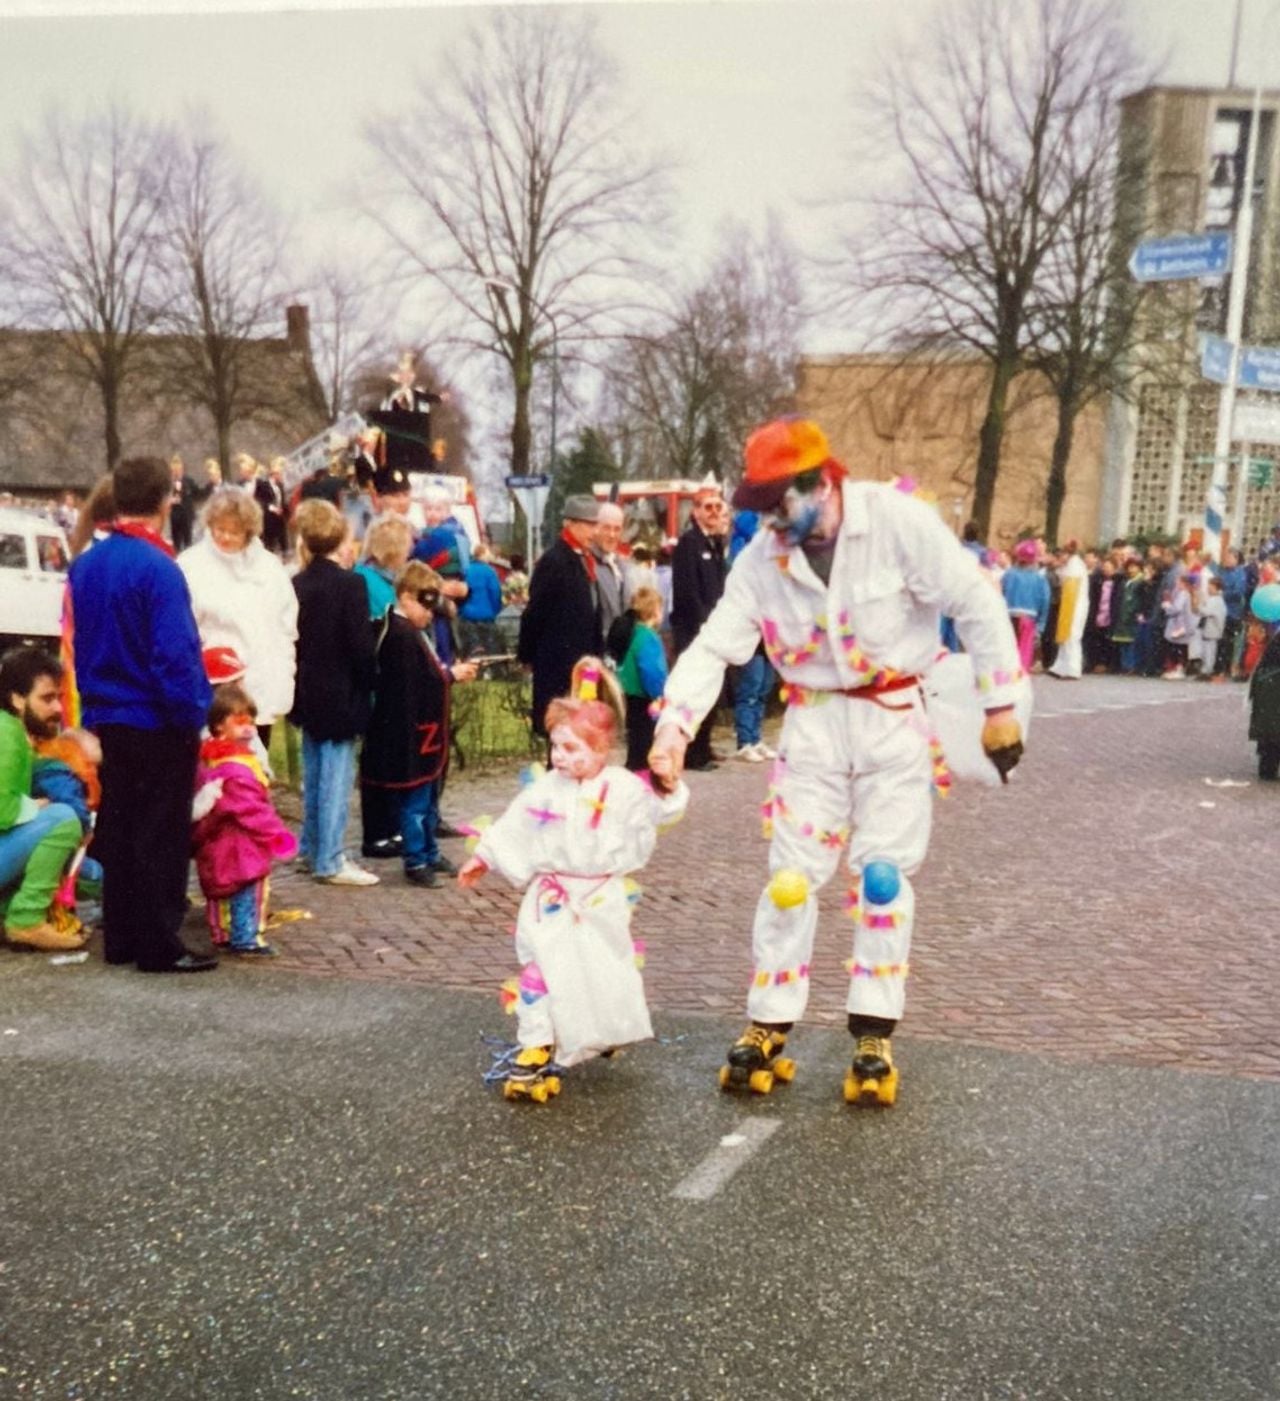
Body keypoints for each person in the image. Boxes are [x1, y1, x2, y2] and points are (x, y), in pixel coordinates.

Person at [646, 418, 1025, 1105]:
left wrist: (1000, 704)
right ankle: (768, 1019)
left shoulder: (896, 521)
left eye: (780, 505)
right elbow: (717, 641)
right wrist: (675, 724)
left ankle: (874, 1028)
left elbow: (972, 599)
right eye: (759, 510)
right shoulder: (763, 556)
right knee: (790, 878)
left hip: (894, 720)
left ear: (822, 482)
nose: (770, 523)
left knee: (883, 877)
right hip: (814, 724)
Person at [457, 657, 689, 1102]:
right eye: (556, 747)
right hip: (551, 898)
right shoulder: (545, 789)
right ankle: (534, 1045)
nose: (560, 758)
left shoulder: (623, 789)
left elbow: (660, 811)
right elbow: (515, 824)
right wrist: (485, 855)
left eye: (572, 749)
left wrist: (668, 785)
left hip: (600, 898)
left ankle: (598, 1028)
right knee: (540, 970)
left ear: (602, 749)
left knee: (599, 970)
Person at [68, 455, 216, 973]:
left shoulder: (86, 563)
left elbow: (80, 642)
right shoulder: (159, 568)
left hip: (108, 712)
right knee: (160, 833)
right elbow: (173, 654)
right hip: (155, 716)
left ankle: (123, 935)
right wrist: (192, 710)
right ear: (164, 499)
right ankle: (159, 942)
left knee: (123, 826)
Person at [362, 562, 478, 888]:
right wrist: (449, 675)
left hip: (421, 732)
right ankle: (417, 857)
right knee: (415, 802)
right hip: (410, 733)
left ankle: (429, 850)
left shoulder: (410, 632)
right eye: (425, 605)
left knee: (426, 799)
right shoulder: (400, 635)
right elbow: (413, 682)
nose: (430, 613)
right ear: (406, 597)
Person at [290, 500, 379, 887]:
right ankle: (329, 857)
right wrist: (371, 679)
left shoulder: (297, 583)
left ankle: (310, 849)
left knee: (314, 774)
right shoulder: (350, 583)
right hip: (342, 691)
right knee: (336, 778)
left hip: (308, 690)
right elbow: (360, 645)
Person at [179, 488, 298, 749]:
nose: (225, 537)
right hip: (215, 684)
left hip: (260, 681)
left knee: (255, 765)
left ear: (248, 531)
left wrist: (283, 673)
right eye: (219, 529)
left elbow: (286, 624)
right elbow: (184, 626)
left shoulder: (269, 568)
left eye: (234, 531)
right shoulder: (191, 565)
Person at [191, 682, 298, 957]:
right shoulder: (234, 771)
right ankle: (245, 937)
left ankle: (221, 932)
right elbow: (252, 811)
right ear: (218, 727)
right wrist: (276, 835)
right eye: (239, 722)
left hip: (220, 842)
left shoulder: (214, 761)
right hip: (240, 845)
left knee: (220, 888)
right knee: (246, 890)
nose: (248, 728)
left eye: (250, 721)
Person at [0, 649, 83, 951]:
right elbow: (2, 812)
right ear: (17, 699)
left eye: (58, 697)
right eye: (47, 699)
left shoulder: (12, 732)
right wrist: (35, 807)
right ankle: (25, 919)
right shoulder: (7, 736)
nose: (59, 708)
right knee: (63, 820)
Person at [518, 496, 604, 742]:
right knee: (560, 729)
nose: (594, 532)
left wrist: (597, 654)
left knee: (582, 727)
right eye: (588, 525)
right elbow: (535, 613)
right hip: (559, 663)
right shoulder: (554, 561)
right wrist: (527, 654)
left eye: (595, 524)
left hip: (584, 663)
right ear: (570, 524)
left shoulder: (585, 559)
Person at [670, 484, 729, 769]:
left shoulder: (715, 543)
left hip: (713, 628)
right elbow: (688, 592)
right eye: (708, 507)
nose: (715, 512)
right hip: (695, 630)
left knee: (711, 691)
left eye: (719, 506)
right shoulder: (688, 544)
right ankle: (693, 752)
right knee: (694, 691)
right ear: (696, 512)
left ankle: (704, 745)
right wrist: (705, 624)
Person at [609, 586, 669, 772]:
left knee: (635, 740)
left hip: (629, 693)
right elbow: (652, 671)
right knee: (646, 741)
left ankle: (633, 768)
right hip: (646, 696)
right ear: (654, 610)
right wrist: (660, 694)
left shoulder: (630, 633)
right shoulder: (648, 637)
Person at [1002, 539, 1051, 673]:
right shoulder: (1039, 579)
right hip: (1028, 620)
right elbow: (1045, 602)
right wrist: (1040, 626)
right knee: (1023, 658)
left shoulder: (1009, 574)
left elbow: (1000, 594)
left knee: (1007, 655)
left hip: (1008, 618)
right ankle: (1019, 682)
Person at [1048, 542, 1088, 679]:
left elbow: (1069, 583)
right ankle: (1061, 666)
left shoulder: (1076, 565)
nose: (1061, 558)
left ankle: (1073, 669)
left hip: (1076, 604)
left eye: (1062, 555)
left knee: (1072, 635)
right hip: (1069, 602)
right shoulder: (1070, 565)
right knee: (1065, 636)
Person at [457, 543, 504, 657]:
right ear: (483, 554)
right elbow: (495, 592)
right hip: (487, 615)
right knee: (490, 650)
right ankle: (490, 671)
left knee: (471, 649)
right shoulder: (490, 572)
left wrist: (461, 610)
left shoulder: (466, 570)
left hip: (467, 615)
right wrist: (496, 610)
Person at [592, 501, 627, 637]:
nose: (612, 535)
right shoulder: (587, 563)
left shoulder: (624, 565)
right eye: (607, 528)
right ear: (596, 528)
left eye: (617, 529)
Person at [1160, 573, 1197, 679]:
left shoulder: (1183, 594)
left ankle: (1179, 669)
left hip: (1180, 626)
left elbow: (1177, 608)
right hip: (1182, 625)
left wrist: (1167, 606)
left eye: (1178, 582)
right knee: (1179, 647)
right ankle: (1178, 668)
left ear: (1183, 583)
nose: (1176, 584)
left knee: (1177, 648)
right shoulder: (1186, 593)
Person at [256, 457, 290, 556]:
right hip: (269, 516)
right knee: (269, 540)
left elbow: (282, 500)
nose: (281, 476)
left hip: (280, 516)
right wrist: (272, 508)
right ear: (274, 474)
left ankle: (284, 554)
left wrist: (286, 512)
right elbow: (260, 500)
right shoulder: (263, 485)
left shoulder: (280, 485)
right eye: (279, 474)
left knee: (282, 537)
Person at [1196, 576, 1227, 680]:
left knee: (1209, 651)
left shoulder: (1215, 600)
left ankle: (1207, 670)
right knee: (1207, 650)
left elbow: (1206, 611)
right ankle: (1206, 669)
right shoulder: (1216, 600)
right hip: (1210, 630)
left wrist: (1199, 605)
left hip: (1212, 630)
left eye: (1211, 587)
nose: (1209, 589)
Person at [168, 456, 198, 554]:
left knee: (188, 541)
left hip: (187, 515)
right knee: (176, 541)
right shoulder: (168, 482)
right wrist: (170, 500)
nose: (176, 472)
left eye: (178, 470)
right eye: (174, 470)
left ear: (182, 469)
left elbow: (198, 494)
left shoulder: (189, 481)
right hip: (174, 515)